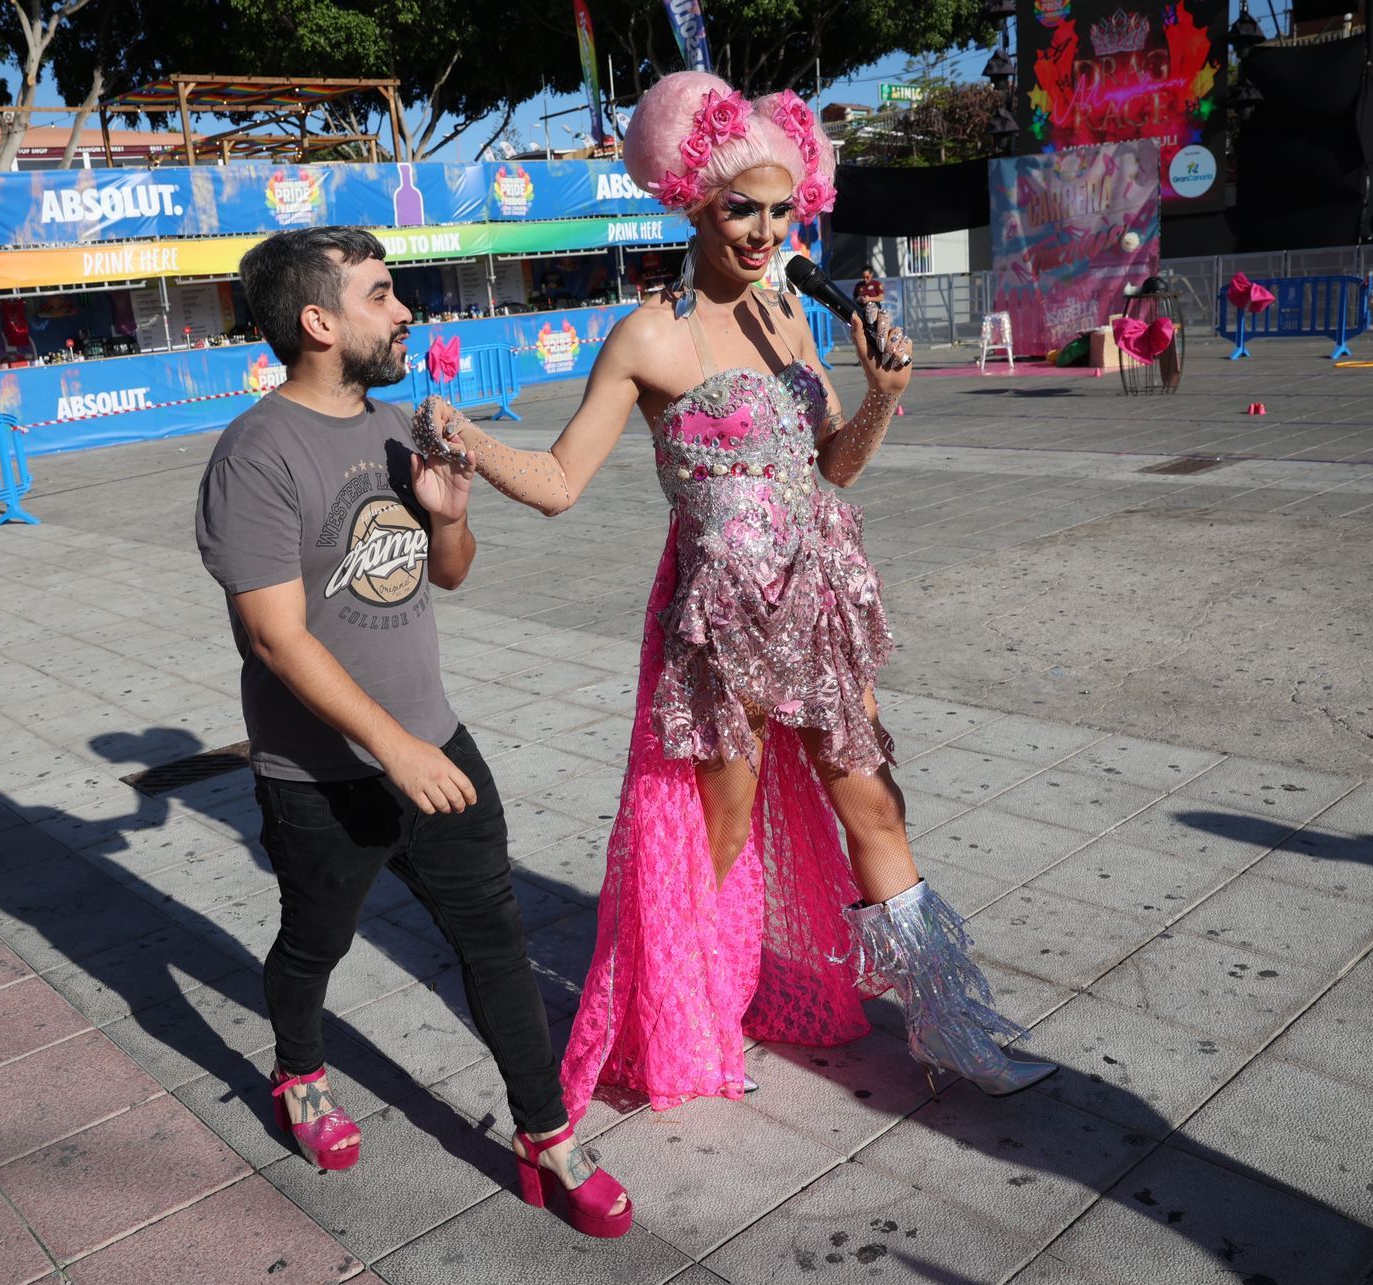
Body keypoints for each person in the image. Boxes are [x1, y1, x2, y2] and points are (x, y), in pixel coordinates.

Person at [414, 73, 1055, 1116]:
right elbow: (562, 485)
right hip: (722, 625)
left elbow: (831, 466)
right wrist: (471, 440)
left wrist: (885, 397)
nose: (762, 231)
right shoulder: (646, 336)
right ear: (691, 203)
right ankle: (700, 1020)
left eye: (778, 209)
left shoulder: (792, 316)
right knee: (720, 827)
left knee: (873, 802)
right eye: (738, 209)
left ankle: (952, 1025)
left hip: (817, 605)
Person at [195, 226, 631, 1237]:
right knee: (315, 942)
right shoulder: (254, 455)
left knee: (497, 941)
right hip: (320, 775)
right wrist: (391, 751)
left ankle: (544, 1135)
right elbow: (273, 637)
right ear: (317, 321)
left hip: (437, 741)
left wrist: (444, 514)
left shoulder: (396, 426)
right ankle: (298, 1072)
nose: (403, 313)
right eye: (382, 295)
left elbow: (447, 573)